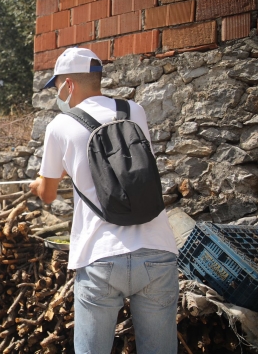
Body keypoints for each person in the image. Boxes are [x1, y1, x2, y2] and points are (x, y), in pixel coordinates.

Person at [30, 48, 179, 354]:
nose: (57, 93)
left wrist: (38, 184)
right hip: (157, 250)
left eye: (57, 85)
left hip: (100, 256)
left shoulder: (59, 127)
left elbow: (47, 194)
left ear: (68, 85)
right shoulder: (134, 112)